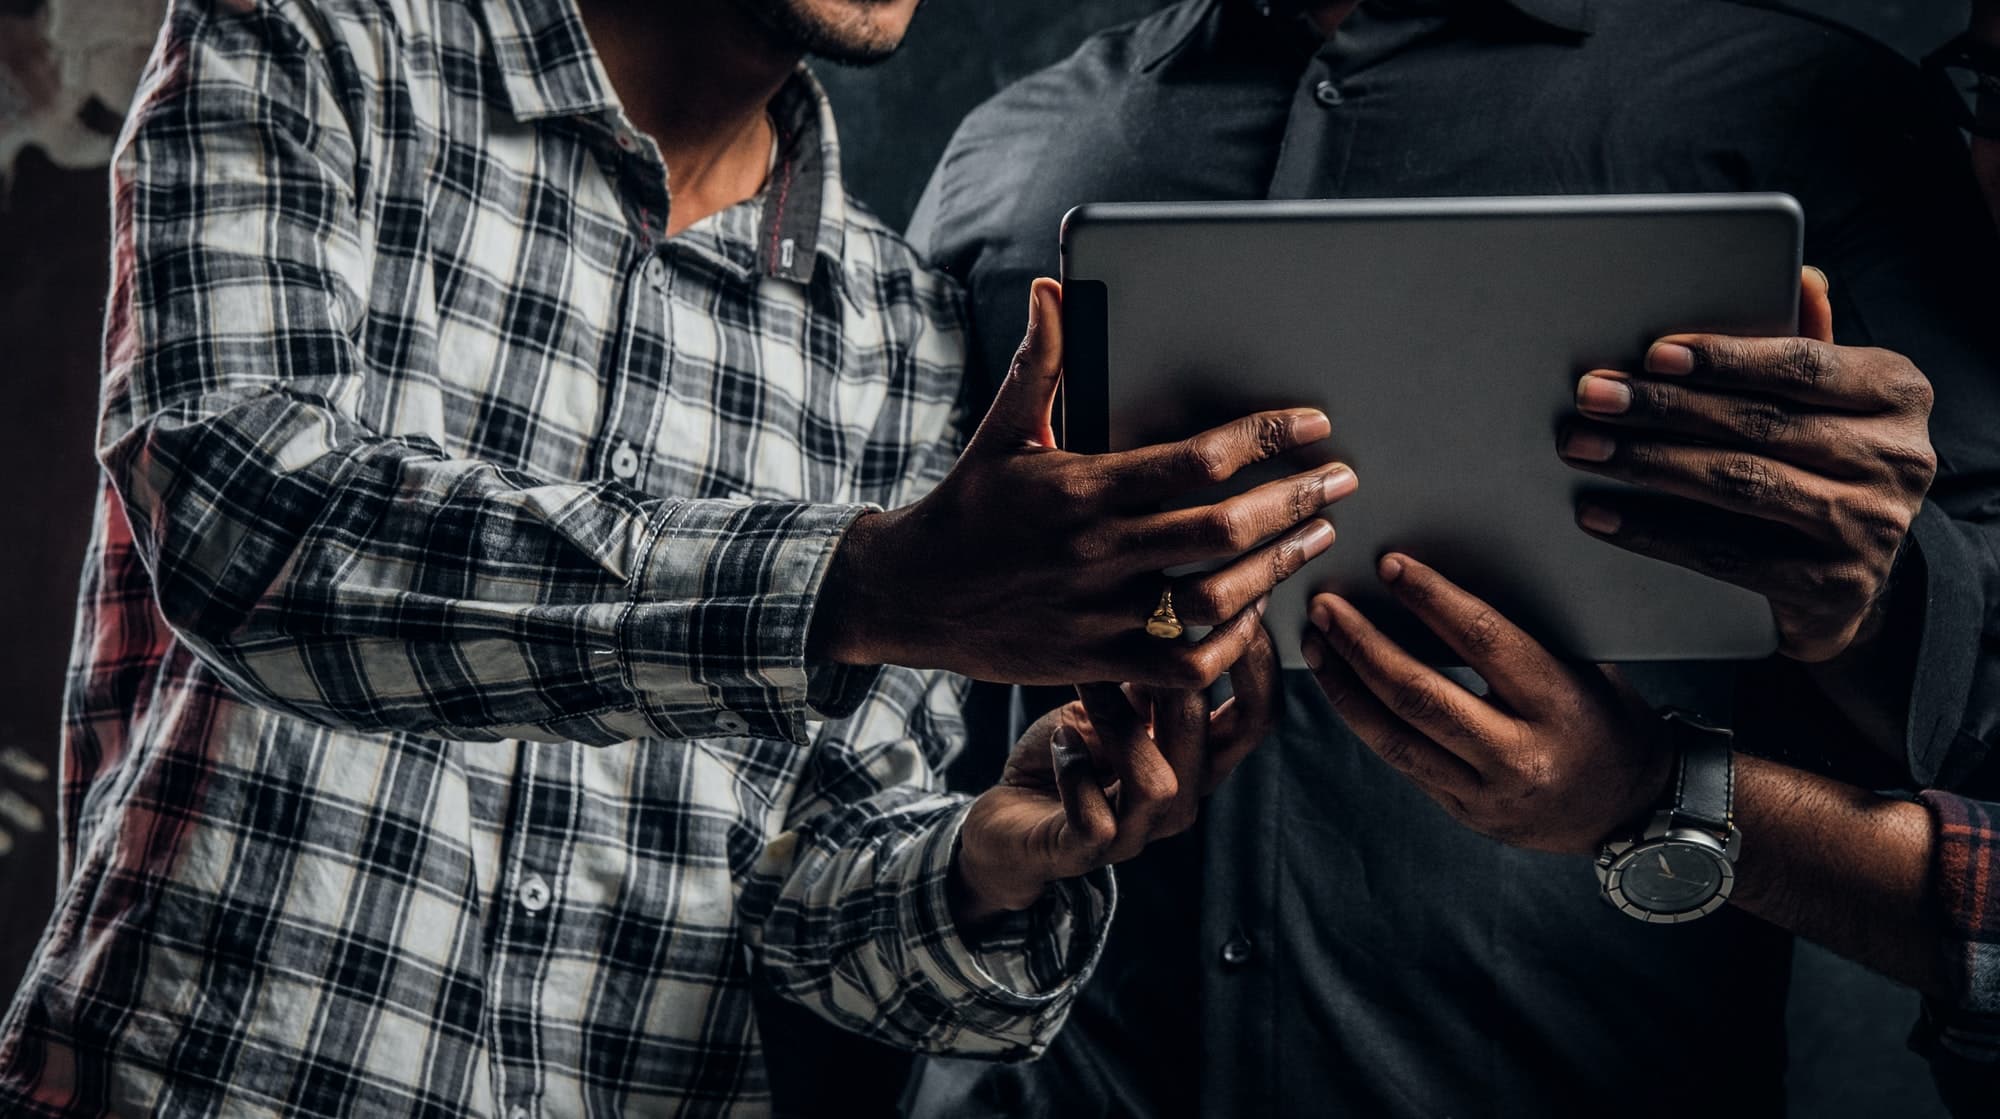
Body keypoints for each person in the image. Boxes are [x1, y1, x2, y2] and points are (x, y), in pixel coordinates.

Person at [0, 0, 1355, 1113]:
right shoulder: (313, 44)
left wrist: (989, 861)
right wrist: (855, 585)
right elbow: (247, 525)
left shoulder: (899, 331)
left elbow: (811, 894)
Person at [908, 0, 2000, 1114]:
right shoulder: (1008, 150)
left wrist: (1872, 604)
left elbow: (1986, 694)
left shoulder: (1813, 110)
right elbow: (886, 716)